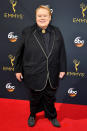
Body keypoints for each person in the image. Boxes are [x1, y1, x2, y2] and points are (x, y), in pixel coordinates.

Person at [15, 5, 66, 127]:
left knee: (50, 97)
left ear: (50, 17)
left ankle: (52, 116)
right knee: (34, 97)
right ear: (36, 17)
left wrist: (62, 68)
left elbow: (62, 51)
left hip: (52, 73)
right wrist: (17, 69)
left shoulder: (57, 31)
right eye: (39, 16)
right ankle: (32, 115)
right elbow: (19, 52)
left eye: (45, 16)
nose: (42, 18)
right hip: (33, 72)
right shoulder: (27, 32)